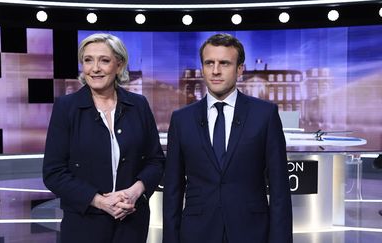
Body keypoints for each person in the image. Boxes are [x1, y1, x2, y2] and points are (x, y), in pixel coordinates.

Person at [163, 33, 292, 243]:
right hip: (197, 232)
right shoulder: (181, 120)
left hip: (251, 231)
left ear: (240, 69)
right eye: (209, 63)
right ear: (202, 68)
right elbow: (172, 191)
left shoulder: (265, 115)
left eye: (224, 63)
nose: (215, 70)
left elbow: (279, 190)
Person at [43, 33, 165, 243]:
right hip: (83, 223)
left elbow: (156, 161)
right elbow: (53, 172)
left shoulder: (138, 105)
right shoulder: (66, 108)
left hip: (132, 221)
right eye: (88, 60)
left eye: (104, 60)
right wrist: (100, 201)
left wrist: (135, 192)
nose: (95, 68)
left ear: (119, 65)